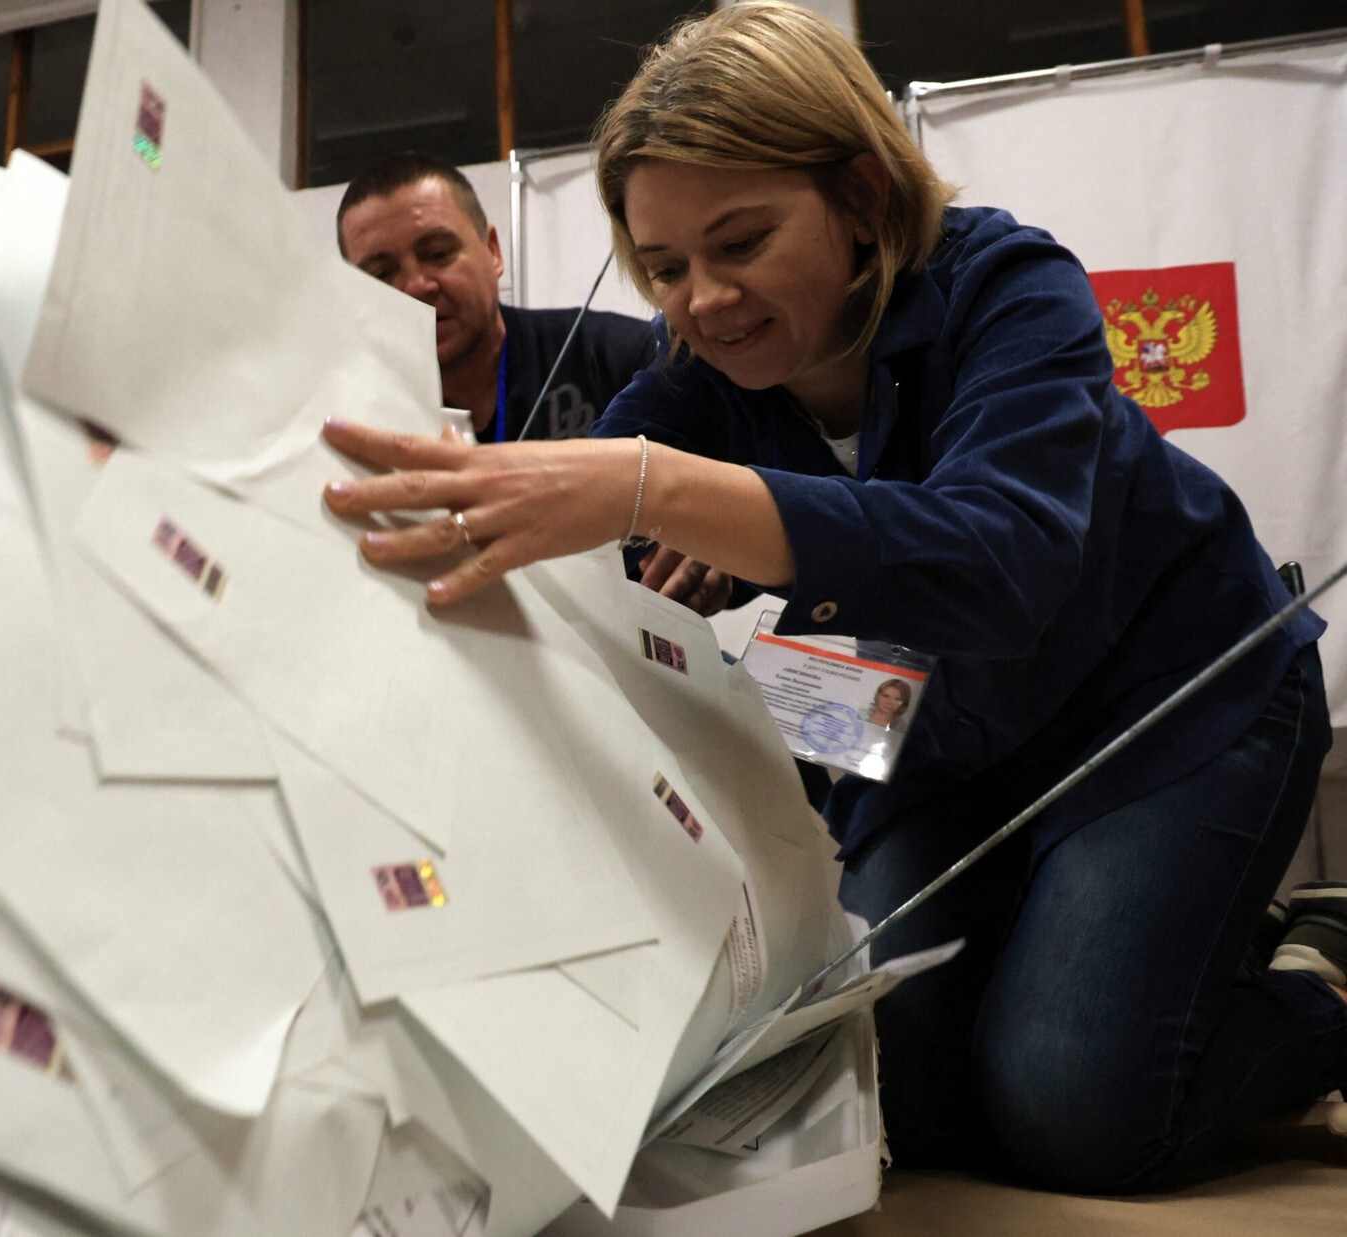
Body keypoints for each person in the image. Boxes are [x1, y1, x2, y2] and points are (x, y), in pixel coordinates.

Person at [320, 0, 1341, 1194]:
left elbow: (998, 562)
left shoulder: (1008, 288)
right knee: (886, 1092)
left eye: (741, 241)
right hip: (948, 746)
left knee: (1076, 1115)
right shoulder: (692, 383)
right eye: (663, 268)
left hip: (1172, 710)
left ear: (860, 199)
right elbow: (563, 595)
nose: (702, 301)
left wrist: (671, 489)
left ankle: (1315, 981)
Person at [336, 152, 658, 444]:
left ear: (493, 251)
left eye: (437, 253)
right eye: (381, 275)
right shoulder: (351, 422)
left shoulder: (618, 359)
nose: (416, 288)